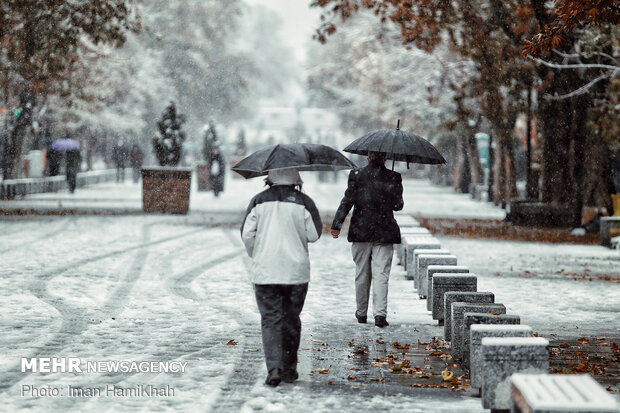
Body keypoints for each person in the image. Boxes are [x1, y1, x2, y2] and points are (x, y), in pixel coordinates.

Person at [241, 169, 322, 387]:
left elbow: (247, 234)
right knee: (291, 319)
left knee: (270, 320)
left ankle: (274, 368)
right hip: (296, 273)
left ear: (270, 178)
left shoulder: (258, 201)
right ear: (296, 179)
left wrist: (256, 253)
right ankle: (289, 368)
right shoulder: (304, 202)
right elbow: (314, 234)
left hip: (266, 272)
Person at [330, 151, 403, 328]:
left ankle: (361, 313)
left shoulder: (356, 175)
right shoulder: (394, 176)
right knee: (381, 275)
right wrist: (391, 188)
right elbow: (398, 205)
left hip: (361, 230)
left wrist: (337, 224)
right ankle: (380, 315)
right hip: (385, 232)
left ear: (368, 158)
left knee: (362, 273)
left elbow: (347, 201)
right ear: (385, 158)